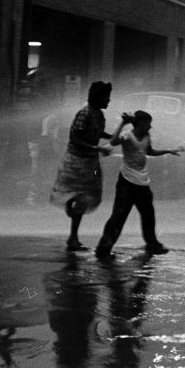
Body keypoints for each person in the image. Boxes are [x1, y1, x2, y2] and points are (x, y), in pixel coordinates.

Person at [94, 110, 184, 260]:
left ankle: (152, 244)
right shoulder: (127, 135)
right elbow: (114, 141)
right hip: (127, 182)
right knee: (118, 216)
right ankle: (103, 249)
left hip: (142, 182)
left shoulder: (147, 136)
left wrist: (168, 150)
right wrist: (123, 123)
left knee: (148, 215)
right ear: (141, 123)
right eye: (148, 123)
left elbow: (149, 151)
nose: (150, 127)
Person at [50, 80, 114, 252]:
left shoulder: (99, 114)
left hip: (91, 163)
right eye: (106, 97)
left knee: (89, 194)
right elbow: (75, 138)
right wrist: (95, 147)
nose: (108, 101)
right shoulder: (84, 113)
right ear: (98, 97)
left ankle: (73, 233)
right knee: (82, 197)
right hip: (76, 162)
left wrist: (113, 136)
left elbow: (98, 132)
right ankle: (73, 238)